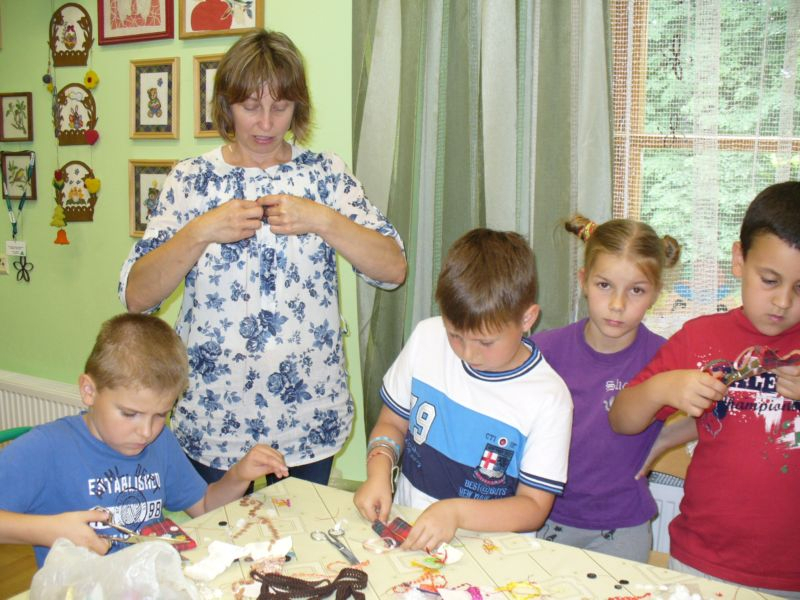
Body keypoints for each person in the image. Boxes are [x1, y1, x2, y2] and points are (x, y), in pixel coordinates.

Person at [118, 30, 406, 488]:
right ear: (226, 104)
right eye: (251, 106)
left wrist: (322, 219)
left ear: (298, 106)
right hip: (214, 414)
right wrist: (201, 231)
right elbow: (137, 296)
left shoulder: (325, 174)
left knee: (300, 534)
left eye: (281, 107)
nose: (267, 123)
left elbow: (393, 269)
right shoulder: (191, 180)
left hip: (309, 414)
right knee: (217, 531)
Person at [609, 182, 800, 597]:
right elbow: (622, 419)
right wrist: (663, 388)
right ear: (739, 260)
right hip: (702, 562)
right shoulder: (699, 338)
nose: (784, 301)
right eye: (769, 280)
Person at [0, 313, 288, 566]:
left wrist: (238, 476)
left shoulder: (159, 442)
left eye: (161, 414)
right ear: (89, 391)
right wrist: (48, 530)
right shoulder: (48, 447)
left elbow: (203, 506)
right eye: (130, 414)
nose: (146, 431)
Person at [353, 228, 573, 552]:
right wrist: (379, 470)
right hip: (410, 530)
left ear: (527, 318)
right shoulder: (427, 338)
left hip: (491, 552)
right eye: (455, 335)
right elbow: (391, 423)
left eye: (486, 342)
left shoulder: (549, 398)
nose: (468, 354)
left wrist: (455, 513)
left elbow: (534, 507)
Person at [530, 215, 693, 562]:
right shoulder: (544, 351)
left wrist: (663, 440)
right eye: (605, 285)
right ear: (583, 281)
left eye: (636, 290)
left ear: (655, 294)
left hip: (624, 527)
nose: (618, 304)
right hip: (546, 516)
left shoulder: (666, 358)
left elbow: (714, 411)